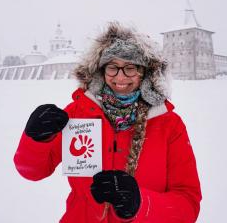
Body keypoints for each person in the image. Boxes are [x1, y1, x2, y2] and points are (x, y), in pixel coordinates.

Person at [14, 22, 202, 222]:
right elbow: (33, 171)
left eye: (130, 68)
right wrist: (36, 139)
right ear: (101, 71)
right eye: (113, 67)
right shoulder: (79, 112)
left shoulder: (169, 125)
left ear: (145, 73)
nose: (120, 77)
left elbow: (188, 204)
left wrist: (141, 204)